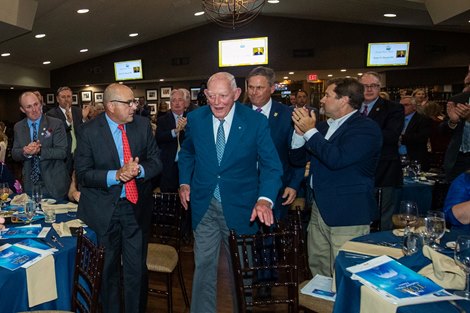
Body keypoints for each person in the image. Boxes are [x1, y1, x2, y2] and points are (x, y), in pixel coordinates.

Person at [178, 72, 283, 313]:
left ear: (236, 94)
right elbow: (187, 153)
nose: (217, 102)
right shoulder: (196, 118)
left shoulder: (254, 121)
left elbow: (271, 165)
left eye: (223, 96)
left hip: (241, 207)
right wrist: (185, 182)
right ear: (205, 95)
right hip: (204, 204)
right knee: (203, 265)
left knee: (241, 269)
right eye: (211, 96)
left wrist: (265, 200)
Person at [75, 83, 162, 313]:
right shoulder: (88, 131)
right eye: (129, 103)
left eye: (134, 102)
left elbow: (156, 162)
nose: (134, 107)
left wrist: (138, 171)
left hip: (136, 209)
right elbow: (83, 175)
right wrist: (117, 175)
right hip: (104, 212)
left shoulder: (142, 126)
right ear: (111, 106)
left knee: (136, 271)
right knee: (107, 272)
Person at [291, 77, 382, 277]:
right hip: (319, 208)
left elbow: (336, 159)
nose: (322, 100)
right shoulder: (322, 127)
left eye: (327, 95)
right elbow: (297, 159)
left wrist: (309, 131)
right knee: (319, 269)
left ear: (344, 100)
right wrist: (299, 134)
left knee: (345, 273)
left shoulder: (365, 128)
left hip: (348, 212)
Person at [246, 66, 304, 220]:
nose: (253, 92)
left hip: (278, 189)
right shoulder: (238, 113)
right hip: (243, 188)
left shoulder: (288, 115)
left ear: (272, 88)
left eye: (259, 87)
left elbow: (298, 152)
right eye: (250, 87)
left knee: (271, 239)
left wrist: (294, 184)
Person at [359, 71, 404, 231]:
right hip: (358, 171)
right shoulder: (351, 107)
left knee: (384, 217)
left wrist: (359, 133)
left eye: (374, 86)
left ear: (380, 88)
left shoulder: (393, 108)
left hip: (385, 171)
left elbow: (391, 136)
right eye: (365, 86)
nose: (369, 89)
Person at [12, 92, 70, 199]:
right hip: (30, 185)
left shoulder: (55, 124)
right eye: (29, 107)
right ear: (22, 110)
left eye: (36, 104)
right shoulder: (18, 127)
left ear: (41, 103)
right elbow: (15, 153)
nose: (34, 109)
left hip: (54, 184)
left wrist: (40, 151)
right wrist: (25, 151)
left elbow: (62, 152)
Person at [47, 86, 86, 174]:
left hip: (79, 152)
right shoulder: (51, 114)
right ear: (57, 99)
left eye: (69, 96)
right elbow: (49, 133)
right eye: (63, 97)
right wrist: (68, 122)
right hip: (64, 154)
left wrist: (84, 119)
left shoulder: (78, 111)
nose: (66, 99)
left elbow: (84, 131)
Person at [155, 89, 187, 192]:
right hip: (169, 166)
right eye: (174, 100)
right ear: (170, 103)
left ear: (185, 102)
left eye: (180, 100)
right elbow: (158, 138)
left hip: (187, 167)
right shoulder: (162, 120)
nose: (177, 103)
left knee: (188, 200)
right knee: (169, 200)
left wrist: (186, 129)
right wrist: (175, 131)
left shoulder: (192, 119)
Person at [442, 92, 470, 182]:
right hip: (457, 159)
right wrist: (453, 122)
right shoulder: (458, 99)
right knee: (455, 193)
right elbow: (442, 131)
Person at [398, 96, 432, 171]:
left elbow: (422, 137)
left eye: (406, 105)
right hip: (396, 158)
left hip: (414, 157)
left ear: (414, 107)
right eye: (400, 105)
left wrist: (401, 138)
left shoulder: (423, 119)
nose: (402, 108)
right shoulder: (395, 119)